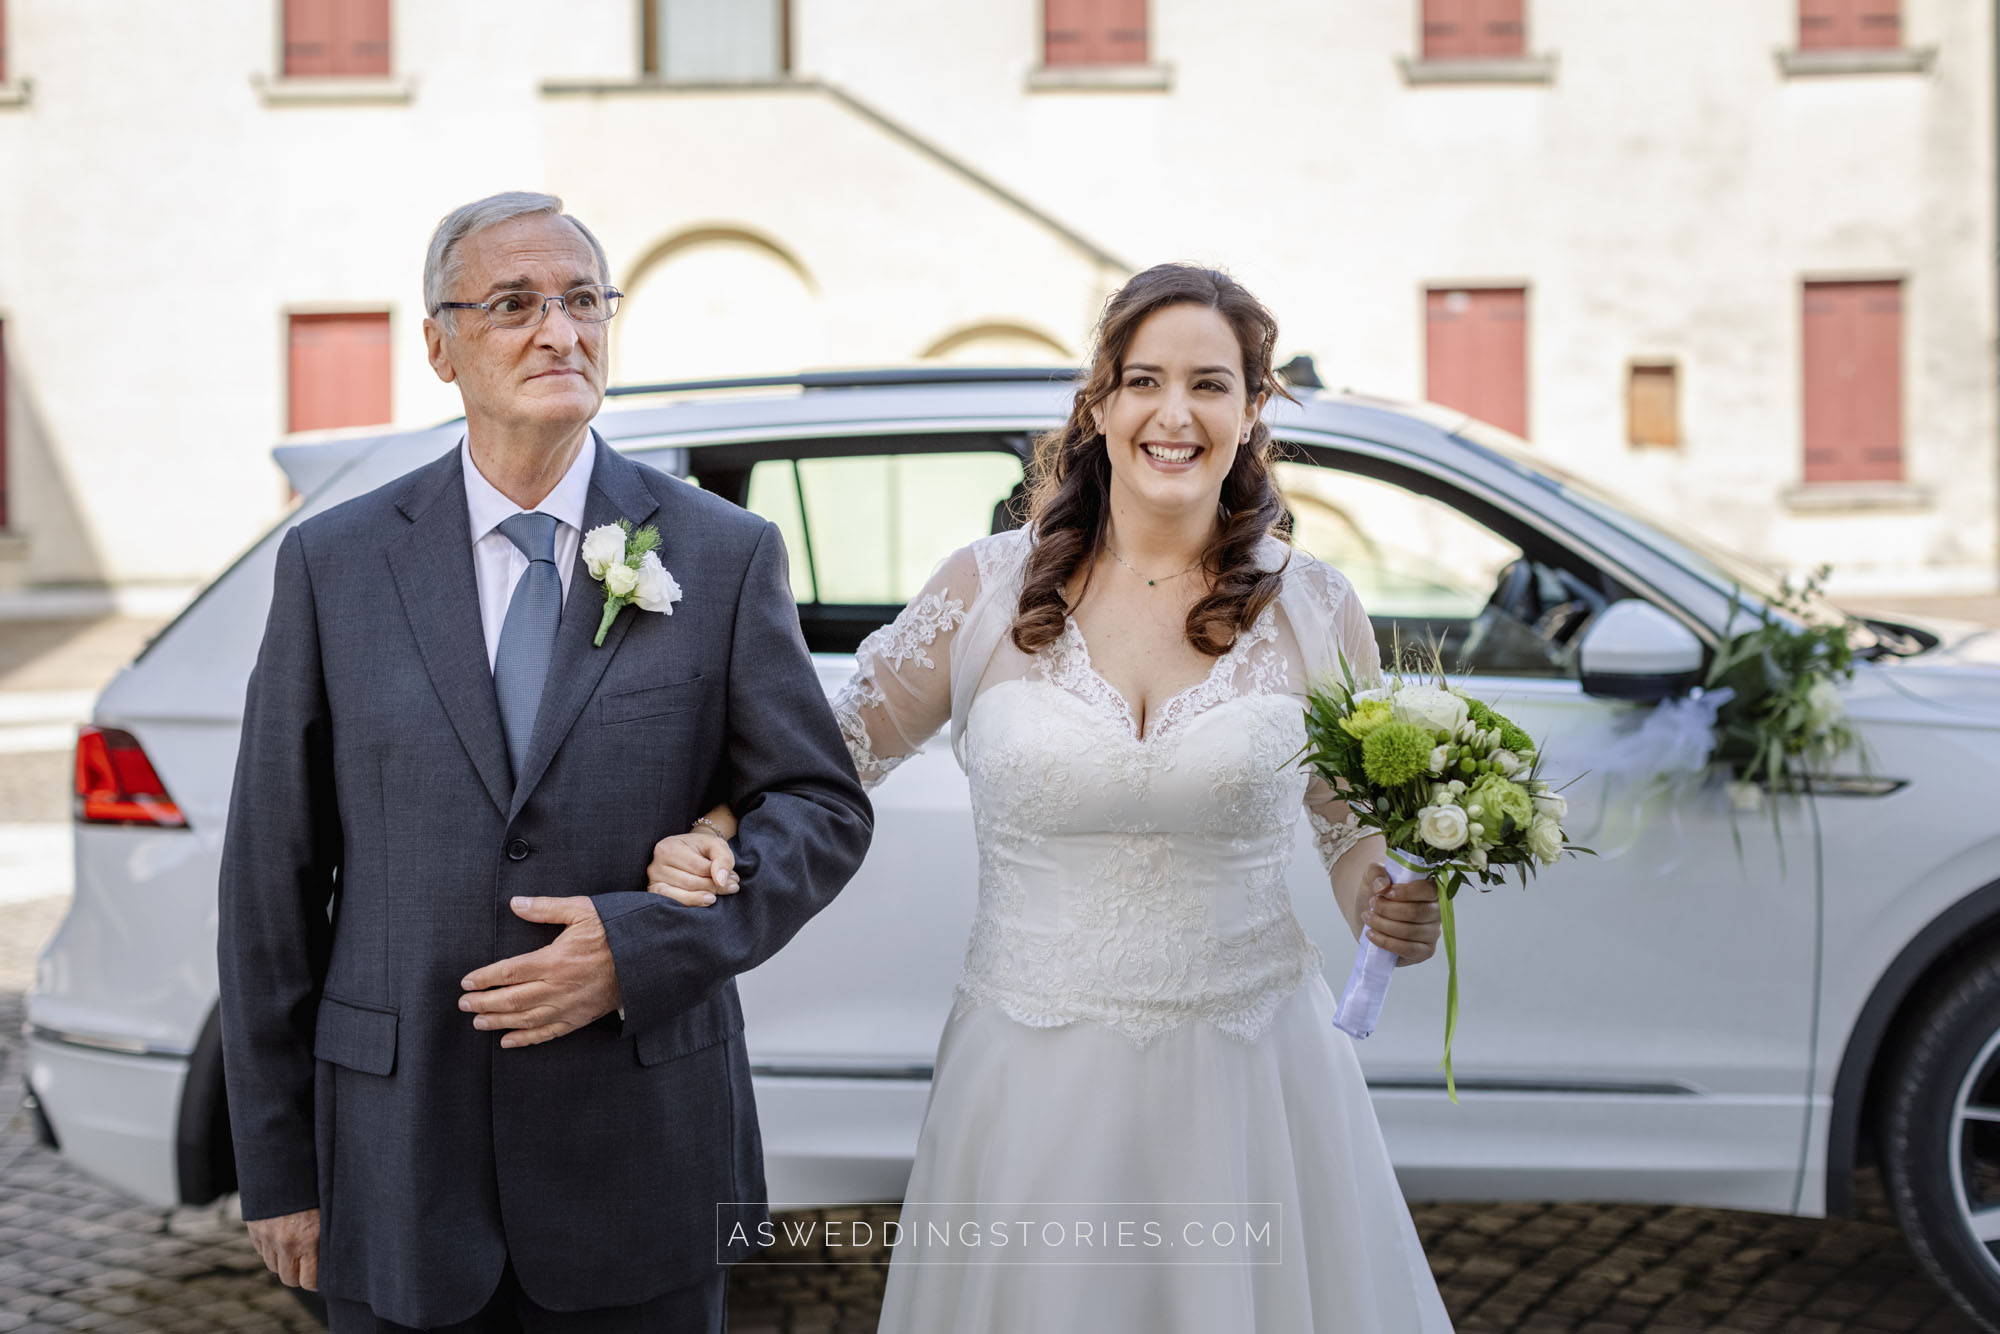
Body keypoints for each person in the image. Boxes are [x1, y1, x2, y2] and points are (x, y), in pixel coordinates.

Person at [649, 263, 1453, 1330]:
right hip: (1029, 1076)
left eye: (1210, 384)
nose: (1175, 414)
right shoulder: (983, 588)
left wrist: (1383, 902)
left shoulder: (1313, 604)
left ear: (1252, 410)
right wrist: (711, 829)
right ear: (1100, 404)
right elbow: (825, 755)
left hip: (1251, 1077)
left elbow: (1347, 826)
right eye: (1144, 381)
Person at [217, 190, 872, 1333]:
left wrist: (648, 943)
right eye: (514, 303)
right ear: (438, 344)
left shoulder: (719, 552)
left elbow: (818, 805)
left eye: (582, 300)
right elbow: (269, 881)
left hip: (642, 1154)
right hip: (397, 1159)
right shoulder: (334, 564)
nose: (558, 331)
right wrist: (279, 1166)